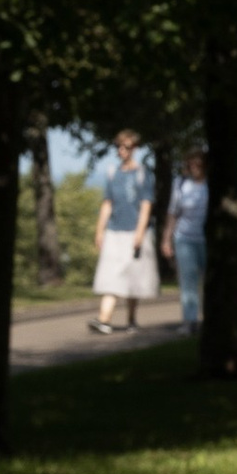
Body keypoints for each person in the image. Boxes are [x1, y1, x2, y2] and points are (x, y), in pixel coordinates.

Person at [87, 132, 158, 334]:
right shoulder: (112, 173)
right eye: (119, 147)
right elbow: (107, 203)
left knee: (132, 278)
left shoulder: (143, 174)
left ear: (134, 148)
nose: (122, 150)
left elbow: (146, 205)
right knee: (110, 276)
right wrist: (100, 230)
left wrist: (140, 232)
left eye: (126, 147)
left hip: (135, 231)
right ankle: (104, 319)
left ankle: (131, 319)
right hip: (115, 231)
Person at [167, 150, 209, 332]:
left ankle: (212, 319)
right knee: (188, 280)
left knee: (210, 281)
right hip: (184, 238)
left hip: (207, 239)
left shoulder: (210, 184)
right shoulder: (181, 184)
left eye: (197, 164)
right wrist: (166, 239)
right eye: (190, 164)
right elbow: (173, 212)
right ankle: (189, 321)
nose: (194, 168)